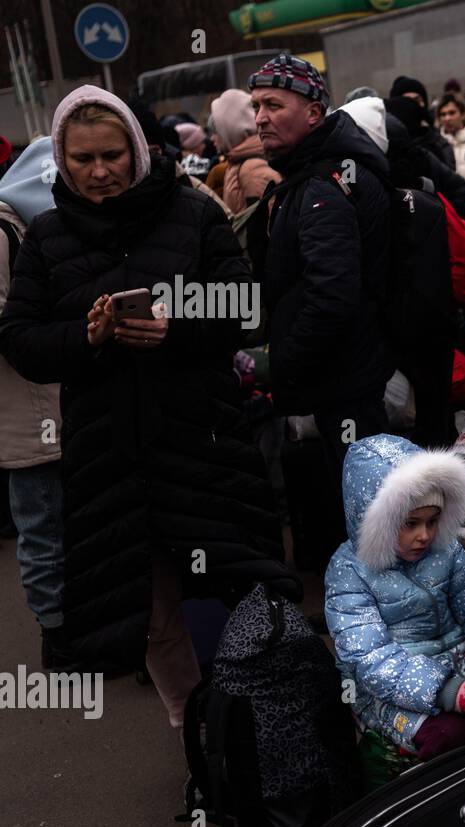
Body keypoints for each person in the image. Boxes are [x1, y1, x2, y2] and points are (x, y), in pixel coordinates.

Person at [0, 86, 299, 716]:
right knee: (153, 607)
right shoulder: (46, 237)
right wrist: (86, 336)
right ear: (61, 158)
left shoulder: (193, 212)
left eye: (112, 154)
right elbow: (23, 340)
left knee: (237, 585)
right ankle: (196, 738)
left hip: (203, 438)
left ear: (136, 150)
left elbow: (246, 307)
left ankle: (261, 724)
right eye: (82, 158)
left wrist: (176, 324)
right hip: (110, 457)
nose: (100, 170)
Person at [325, 435, 465, 782]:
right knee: (450, 736)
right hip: (392, 693)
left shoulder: (445, 553)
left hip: (460, 665)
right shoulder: (348, 573)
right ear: (376, 521)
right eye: (410, 523)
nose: (424, 535)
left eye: (432, 521)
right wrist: (448, 692)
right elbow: (371, 658)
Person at [250, 54, 395, 543]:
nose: (260, 117)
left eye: (274, 104)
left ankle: (386, 616)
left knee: (370, 517)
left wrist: (278, 360)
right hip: (344, 376)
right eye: (256, 106)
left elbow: (332, 296)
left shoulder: (325, 185)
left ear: (314, 112)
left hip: (344, 381)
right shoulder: (314, 172)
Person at [0, 138, 64, 669]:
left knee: (58, 520)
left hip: (50, 404)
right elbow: (12, 326)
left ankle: (73, 626)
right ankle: (59, 639)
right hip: (27, 410)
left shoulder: (24, 223)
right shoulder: (6, 228)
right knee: (41, 526)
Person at [209, 87, 280, 213]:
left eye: (217, 130)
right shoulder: (240, 161)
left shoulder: (252, 168)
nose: (212, 138)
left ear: (230, 129)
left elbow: (264, 227)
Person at [437, 91, 465, 182]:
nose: (447, 118)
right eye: (443, 114)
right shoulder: (438, 144)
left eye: (452, 113)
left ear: (463, 114)